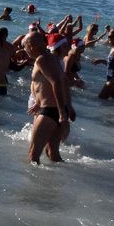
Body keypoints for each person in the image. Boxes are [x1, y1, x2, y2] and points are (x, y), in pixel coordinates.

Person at [24, 31, 74, 164]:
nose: (25, 50)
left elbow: (56, 82)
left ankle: (32, 185)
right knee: (52, 153)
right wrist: (68, 106)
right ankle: (62, 181)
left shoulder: (41, 59)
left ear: (32, 46)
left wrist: (63, 113)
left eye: (25, 46)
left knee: (33, 155)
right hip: (57, 109)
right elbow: (64, 81)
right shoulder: (53, 58)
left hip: (49, 112)